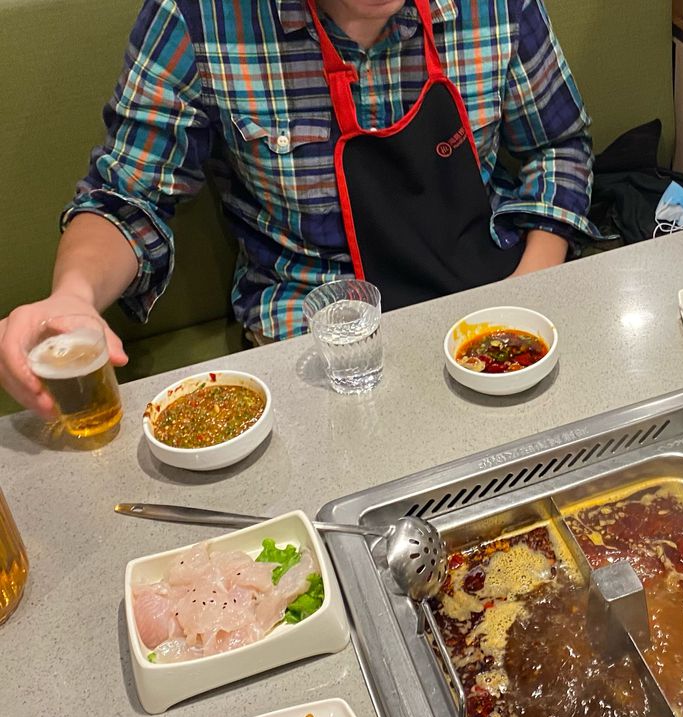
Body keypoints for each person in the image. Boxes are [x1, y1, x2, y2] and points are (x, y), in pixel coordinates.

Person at [0, 0, 597, 417]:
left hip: (485, 300)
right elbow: (128, 194)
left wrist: (524, 292)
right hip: (316, 343)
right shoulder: (199, 19)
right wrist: (73, 296)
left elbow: (558, 145)